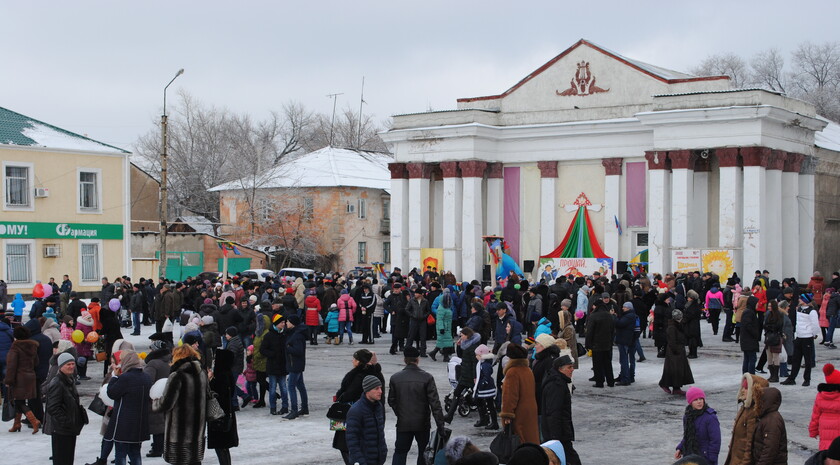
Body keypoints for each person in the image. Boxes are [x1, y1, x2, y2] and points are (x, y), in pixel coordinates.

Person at [388, 346, 445, 465]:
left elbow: (391, 400)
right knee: (423, 452)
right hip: (422, 423)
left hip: (403, 423)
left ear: (405, 360)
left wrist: (400, 412)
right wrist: (440, 426)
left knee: (400, 452)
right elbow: (435, 404)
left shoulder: (395, 378)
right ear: (417, 359)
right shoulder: (427, 377)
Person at [153, 344, 208, 465]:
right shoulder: (202, 373)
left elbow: (167, 403)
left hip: (179, 430)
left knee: (180, 460)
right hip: (197, 428)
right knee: (194, 460)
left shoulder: (177, 376)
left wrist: (156, 402)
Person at [333, 349, 385, 464]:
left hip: (351, 414)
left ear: (359, 361)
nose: (352, 361)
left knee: (347, 445)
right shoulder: (375, 374)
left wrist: (340, 396)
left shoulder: (359, 376)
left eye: (354, 359)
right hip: (372, 415)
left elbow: (348, 394)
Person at [106, 350, 152, 465]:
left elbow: (112, 393)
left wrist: (114, 377)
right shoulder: (146, 377)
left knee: (121, 453)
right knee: (135, 452)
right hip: (140, 422)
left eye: (121, 360)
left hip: (124, 423)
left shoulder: (125, 378)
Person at [44, 352, 87, 465]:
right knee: (62, 460)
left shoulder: (69, 380)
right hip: (61, 430)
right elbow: (53, 407)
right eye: (68, 364)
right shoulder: (57, 382)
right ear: (61, 366)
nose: (71, 366)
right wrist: (66, 422)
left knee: (68, 460)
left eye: (73, 364)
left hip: (69, 429)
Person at [541, 355, 580, 465]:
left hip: (559, 432)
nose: (572, 370)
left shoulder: (558, 381)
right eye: (569, 367)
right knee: (570, 458)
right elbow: (553, 412)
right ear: (560, 369)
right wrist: (555, 436)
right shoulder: (557, 385)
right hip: (559, 433)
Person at [724, 373, 769, 465]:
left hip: (741, 460)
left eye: (746, 388)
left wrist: (745, 462)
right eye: (743, 387)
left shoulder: (753, 412)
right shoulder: (745, 407)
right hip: (736, 457)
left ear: (754, 391)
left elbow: (750, 442)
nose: (743, 390)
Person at [500, 344, 539, 444]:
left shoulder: (512, 372)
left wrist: (507, 414)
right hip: (530, 410)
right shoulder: (528, 370)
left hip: (519, 412)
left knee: (519, 440)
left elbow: (510, 396)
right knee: (530, 437)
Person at [4, 325, 41, 433]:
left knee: (19, 402)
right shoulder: (33, 346)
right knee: (20, 400)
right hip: (30, 376)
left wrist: (8, 380)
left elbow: (11, 366)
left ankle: (34, 421)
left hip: (19, 378)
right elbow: (36, 362)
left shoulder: (15, 347)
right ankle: (17, 423)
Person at [346, 375, 388, 465]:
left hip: (377, 459)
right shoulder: (356, 410)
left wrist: (383, 452)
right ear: (368, 390)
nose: (380, 391)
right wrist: (360, 461)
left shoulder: (378, 407)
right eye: (376, 388)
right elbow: (352, 441)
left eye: (380, 388)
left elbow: (380, 433)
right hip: (363, 460)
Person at [208, 349, 239, 465]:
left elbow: (215, 394)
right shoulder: (228, 373)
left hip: (218, 415)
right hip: (226, 414)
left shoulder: (220, 376)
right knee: (224, 447)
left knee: (220, 446)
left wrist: (209, 381)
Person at [782, 293, 820, 386]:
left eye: (801, 299)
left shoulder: (812, 311)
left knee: (807, 360)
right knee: (796, 359)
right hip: (799, 336)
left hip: (807, 337)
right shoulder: (798, 309)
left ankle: (807, 379)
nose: (799, 300)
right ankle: (792, 378)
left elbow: (815, 325)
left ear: (805, 301)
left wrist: (813, 334)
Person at [675, 387, 721, 465]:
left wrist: (712, 458)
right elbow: (687, 436)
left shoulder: (710, 417)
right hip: (690, 455)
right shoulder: (687, 416)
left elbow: (715, 440)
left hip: (705, 457)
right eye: (695, 400)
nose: (699, 402)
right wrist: (680, 448)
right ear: (690, 402)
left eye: (701, 399)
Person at [444, 327, 480, 423]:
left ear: (467, 335)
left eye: (462, 335)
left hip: (469, 375)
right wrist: (459, 346)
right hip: (464, 374)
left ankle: (483, 414)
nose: (461, 337)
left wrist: (475, 376)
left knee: (475, 394)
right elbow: (460, 356)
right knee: (457, 392)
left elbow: (475, 363)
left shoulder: (473, 347)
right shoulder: (466, 344)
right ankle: (449, 416)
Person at [143, 340, 171, 458]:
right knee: (164, 422)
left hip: (154, 397)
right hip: (167, 395)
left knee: (157, 423)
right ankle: (164, 446)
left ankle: (157, 448)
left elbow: (147, 380)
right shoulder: (169, 361)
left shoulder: (153, 364)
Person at [260, 314, 289, 415]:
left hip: (283, 365)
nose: (283, 324)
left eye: (284, 322)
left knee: (283, 387)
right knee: (272, 388)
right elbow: (262, 349)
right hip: (272, 366)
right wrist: (272, 354)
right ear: (276, 324)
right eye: (281, 322)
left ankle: (285, 406)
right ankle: (273, 407)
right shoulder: (269, 335)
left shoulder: (285, 334)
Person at [659, 310, 694, 395]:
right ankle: (668, 385)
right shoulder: (672, 327)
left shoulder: (677, 325)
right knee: (674, 370)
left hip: (678, 351)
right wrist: (676, 350)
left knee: (677, 370)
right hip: (674, 352)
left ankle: (676, 387)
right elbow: (672, 341)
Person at [585, 293, 615, 388]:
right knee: (608, 363)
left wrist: (588, 344)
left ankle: (599, 382)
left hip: (596, 344)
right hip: (607, 343)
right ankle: (610, 381)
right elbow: (612, 330)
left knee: (597, 364)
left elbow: (589, 331)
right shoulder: (609, 315)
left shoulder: (594, 316)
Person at [751, 387, 787, 464]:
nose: (756, 403)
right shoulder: (765, 417)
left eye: (759, 400)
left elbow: (770, 449)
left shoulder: (772, 420)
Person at [809, 363, 840, 451]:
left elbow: (815, 416)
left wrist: (813, 431)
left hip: (824, 428)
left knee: (826, 449)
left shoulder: (820, 396)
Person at [284, 314, 309, 419]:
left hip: (295, 364)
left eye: (288, 321)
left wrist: (287, 348)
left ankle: (294, 410)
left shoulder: (297, 335)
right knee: (300, 385)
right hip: (296, 364)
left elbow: (298, 351)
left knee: (291, 386)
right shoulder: (294, 333)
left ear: (293, 323)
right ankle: (304, 408)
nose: (286, 323)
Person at [473, 344, 499, 430]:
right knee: (481, 402)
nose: (476, 356)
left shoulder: (485, 365)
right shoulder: (482, 363)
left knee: (490, 404)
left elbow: (486, 376)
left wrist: (482, 383)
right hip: (483, 386)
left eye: (477, 355)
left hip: (486, 388)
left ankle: (494, 422)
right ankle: (484, 419)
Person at [429, 289, 455, 362]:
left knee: (444, 341)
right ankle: (445, 356)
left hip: (447, 327)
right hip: (444, 327)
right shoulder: (441, 308)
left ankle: (434, 353)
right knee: (445, 341)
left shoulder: (446, 307)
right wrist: (441, 328)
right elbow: (439, 319)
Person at [406, 288, 431, 357]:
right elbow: (407, 309)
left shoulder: (425, 301)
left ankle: (423, 352)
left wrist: (425, 316)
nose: (415, 294)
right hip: (414, 320)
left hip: (422, 321)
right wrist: (412, 315)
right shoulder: (412, 300)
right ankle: (407, 351)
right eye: (415, 293)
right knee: (411, 336)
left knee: (423, 337)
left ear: (421, 294)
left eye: (417, 293)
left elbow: (428, 310)